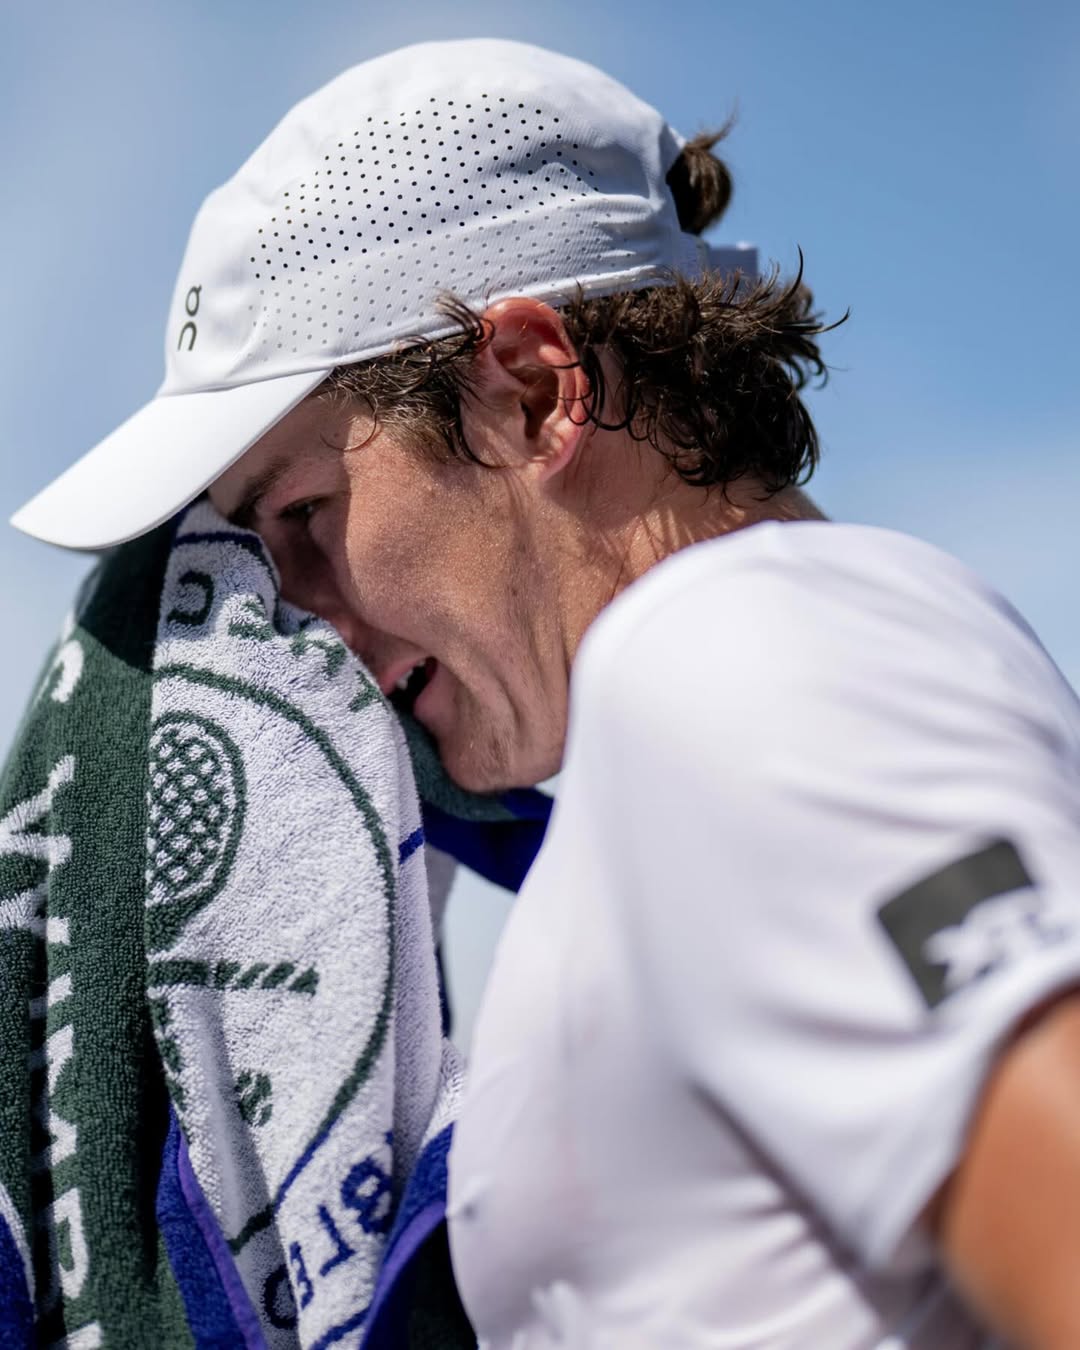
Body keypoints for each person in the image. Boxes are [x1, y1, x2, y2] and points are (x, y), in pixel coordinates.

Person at [13, 37, 1080, 1350]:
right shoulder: (732, 702)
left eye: (303, 514)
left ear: (530, 392)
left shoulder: (740, 654)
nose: (294, 613)